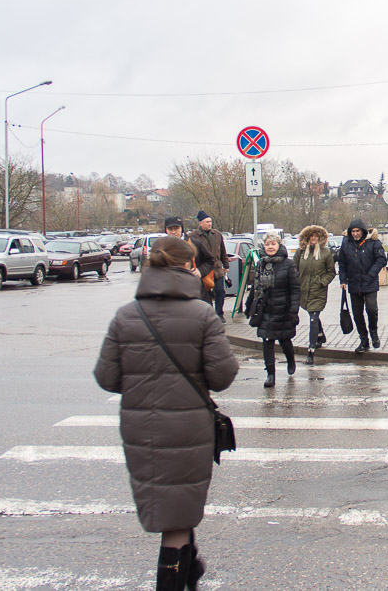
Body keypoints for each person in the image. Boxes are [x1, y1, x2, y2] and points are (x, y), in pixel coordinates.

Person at [94, 236, 239, 590]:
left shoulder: (126, 315)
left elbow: (107, 377)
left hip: (140, 427)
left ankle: (191, 568)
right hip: (189, 428)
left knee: (173, 507)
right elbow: (222, 376)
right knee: (176, 518)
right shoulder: (202, 315)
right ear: (189, 266)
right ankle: (176, 574)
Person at [245, 233, 300, 387]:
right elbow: (255, 287)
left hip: (283, 310)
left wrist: (293, 311)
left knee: (285, 340)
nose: (270, 247)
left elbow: (295, 289)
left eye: (273, 244)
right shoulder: (261, 264)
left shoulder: (289, 264)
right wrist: (249, 305)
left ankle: (290, 359)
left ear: (279, 245)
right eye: (267, 244)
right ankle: (271, 374)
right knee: (267, 341)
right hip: (265, 310)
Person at [337, 218, 387, 354]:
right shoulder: (346, 243)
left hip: (369, 282)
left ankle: (373, 332)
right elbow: (342, 263)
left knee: (371, 310)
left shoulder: (373, 242)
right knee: (357, 314)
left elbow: (382, 259)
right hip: (354, 283)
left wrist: (371, 273)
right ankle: (363, 339)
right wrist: (343, 280)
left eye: (357, 231)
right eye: (352, 231)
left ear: (363, 231)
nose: (355, 234)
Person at [296, 224, 335, 366]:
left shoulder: (325, 253)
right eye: (311, 236)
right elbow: (294, 269)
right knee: (312, 315)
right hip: (303, 291)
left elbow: (331, 272)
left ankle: (311, 351)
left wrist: (322, 282)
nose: (313, 239)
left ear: (320, 238)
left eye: (316, 237)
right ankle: (320, 335)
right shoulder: (300, 253)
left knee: (313, 318)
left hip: (318, 291)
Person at [189, 211, 229, 322]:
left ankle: (219, 314)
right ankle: (210, 315)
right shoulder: (194, 236)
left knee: (220, 291)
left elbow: (223, 251)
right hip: (204, 270)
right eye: (207, 222)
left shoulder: (217, 234)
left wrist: (225, 264)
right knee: (206, 294)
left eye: (210, 222)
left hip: (217, 269)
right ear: (200, 223)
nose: (209, 224)